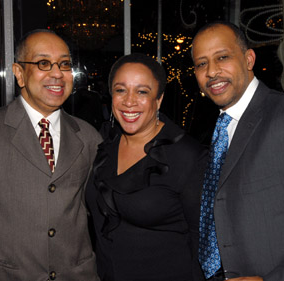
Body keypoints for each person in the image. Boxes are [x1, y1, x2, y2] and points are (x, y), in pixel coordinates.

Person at [0, 29, 101, 280]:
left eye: (64, 64)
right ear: (19, 73)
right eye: (43, 63)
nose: (57, 73)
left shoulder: (89, 136)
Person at [190, 21, 284, 281]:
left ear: (248, 59)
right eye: (201, 63)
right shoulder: (215, 129)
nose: (211, 71)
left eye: (222, 57)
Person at [85, 53, 208, 281]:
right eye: (120, 90)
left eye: (142, 91)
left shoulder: (189, 157)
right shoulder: (103, 145)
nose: (129, 101)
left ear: (158, 99)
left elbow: (203, 241)